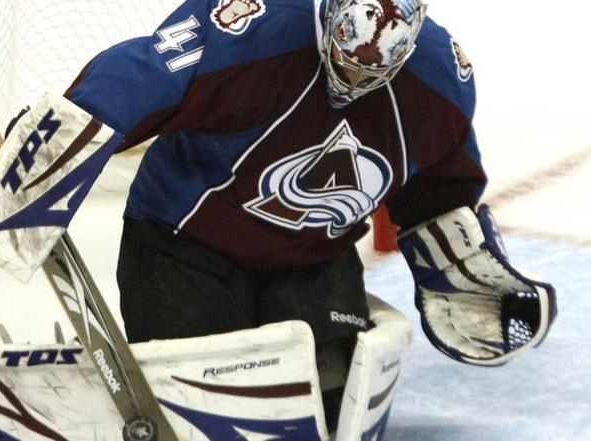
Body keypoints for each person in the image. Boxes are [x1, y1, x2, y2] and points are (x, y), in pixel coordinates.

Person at [56, 0, 556, 432]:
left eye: (375, 70)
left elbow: (438, 188)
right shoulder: (251, 29)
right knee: (206, 411)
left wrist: (458, 266)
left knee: (334, 406)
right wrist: (56, 143)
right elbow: (137, 75)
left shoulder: (439, 81)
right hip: (185, 248)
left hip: (317, 257)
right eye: (347, 58)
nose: (356, 80)